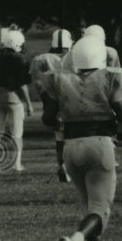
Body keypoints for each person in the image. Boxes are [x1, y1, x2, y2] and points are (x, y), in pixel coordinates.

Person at [42, 36, 122, 241]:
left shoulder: (63, 80)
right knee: (99, 210)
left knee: (90, 211)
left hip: (71, 148)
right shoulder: (108, 78)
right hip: (99, 144)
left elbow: (48, 118)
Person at [0, 29, 33, 172]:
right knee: (17, 134)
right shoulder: (19, 59)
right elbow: (22, 85)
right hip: (13, 98)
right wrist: (29, 104)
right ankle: (17, 164)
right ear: (17, 44)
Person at [30, 28, 73, 181]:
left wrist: (48, 102)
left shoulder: (42, 60)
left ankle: (61, 164)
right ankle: (69, 166)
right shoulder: (74, 57)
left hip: (54, 105)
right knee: (73, 137)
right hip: (72, 103)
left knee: (59, 137)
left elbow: (40, 86)